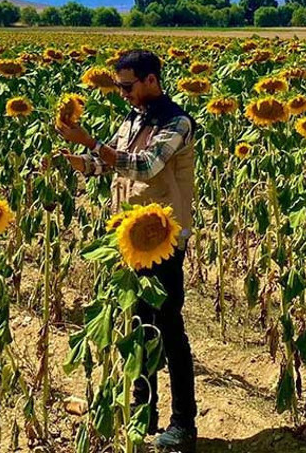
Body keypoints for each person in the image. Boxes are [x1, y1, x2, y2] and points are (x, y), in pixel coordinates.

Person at [56, 49, 199, 453]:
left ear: (151, 80)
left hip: (166, 238)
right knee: (138, 325)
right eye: (118, 85)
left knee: (169, 328)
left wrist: (92, 142)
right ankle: (143, 410)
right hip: (131, 236)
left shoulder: (177, 123)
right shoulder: (134, 119)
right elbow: (110, 166)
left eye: (127, 85)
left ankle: (184, 423)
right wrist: (80, 159)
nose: (121, 92)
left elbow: (145, 165)